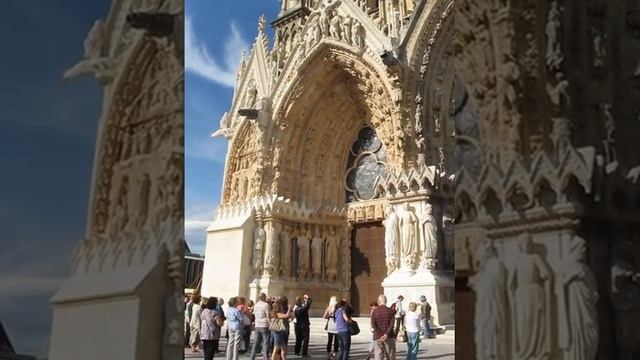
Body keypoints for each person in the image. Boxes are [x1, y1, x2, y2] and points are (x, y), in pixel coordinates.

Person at [372, 294, 397, 360]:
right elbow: (392, 324)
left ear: (378, 301)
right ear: (386, 301)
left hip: (377, 336)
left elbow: (373, 325)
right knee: (390, 355)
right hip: (389, 336)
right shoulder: (391, 311)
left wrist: (380, 334)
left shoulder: (374, 311)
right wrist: (386, 334)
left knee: (378, 355)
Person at [250, 293, 271, 360]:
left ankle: (252, 356)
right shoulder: (266, 305)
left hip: (257, 325)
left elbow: (254, 314)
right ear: (264, 297)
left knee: (256, 342)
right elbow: (268, 316)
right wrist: (270, 324)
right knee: (266, 341)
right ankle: (265, 357)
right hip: (264, 325)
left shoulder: (256, 305)